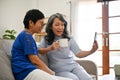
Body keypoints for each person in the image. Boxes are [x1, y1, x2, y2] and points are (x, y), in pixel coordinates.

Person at [11, 9, 72, 80]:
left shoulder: (26, 36)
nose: (42, 26)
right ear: (31, 23)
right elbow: (35, 60)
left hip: (26, 71)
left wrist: (50, 48)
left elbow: (38, 50)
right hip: (25, 72)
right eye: (41, 23)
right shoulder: (26, 36)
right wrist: (51, 72)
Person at [38, 13, 98, 80]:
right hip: (59, 70)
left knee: (87, 78)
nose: (60, 27)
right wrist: (50, 48)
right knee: (74, 79)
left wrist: (92, 51)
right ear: (51, 26)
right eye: (57, 25)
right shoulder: (46, 39)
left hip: (74, 66)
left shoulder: (69, 38)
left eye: (62, 25)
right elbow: (39, 50)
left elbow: (79, 53)